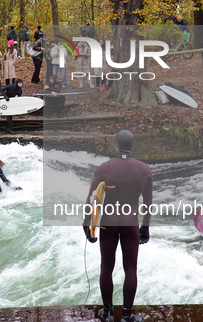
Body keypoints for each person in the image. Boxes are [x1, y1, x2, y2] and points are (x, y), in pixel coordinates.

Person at [82, 130, 153, 322]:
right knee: (131, 269)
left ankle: (107, 312)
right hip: (131, 223)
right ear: (131, 146)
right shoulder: (144, 169)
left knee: (106, 267)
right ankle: (127, 315)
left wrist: (87, 224)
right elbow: (148, 203)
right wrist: (145, 226)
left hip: (109, 223)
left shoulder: (104, 169)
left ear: (115, 145)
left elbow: (91, 199)